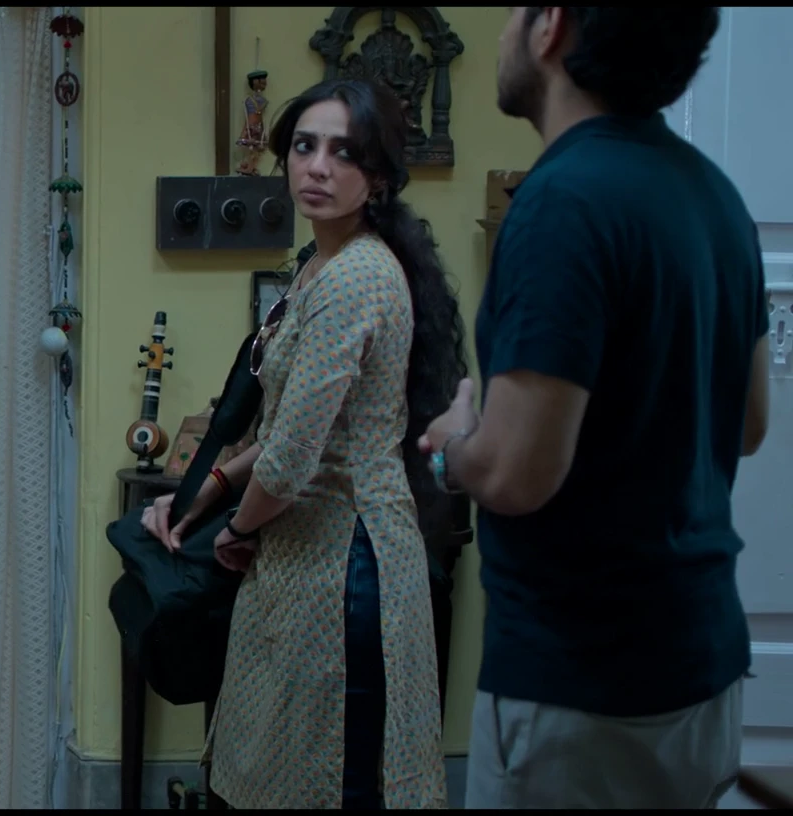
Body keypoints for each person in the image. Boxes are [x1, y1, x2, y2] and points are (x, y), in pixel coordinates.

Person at [419, 8, 762, 809]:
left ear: (553, 28)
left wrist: (453, 443)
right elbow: (749, 424)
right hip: (701, 668)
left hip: (583, 691)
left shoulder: (561, 202)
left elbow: (515, 474)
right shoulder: (717, 196)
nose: (503, 31)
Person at [143, 78, 465, 809]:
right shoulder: (319, 264)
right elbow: (293, 426)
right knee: (277, 773)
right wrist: (207, 497)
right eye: (303, 146)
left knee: (334, 779)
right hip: (304, 559)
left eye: (343, 152)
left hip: (346, 567)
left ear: (377, 176)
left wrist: (236, 530)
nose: (317, 166)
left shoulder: (355, 279)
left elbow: (291, 458)